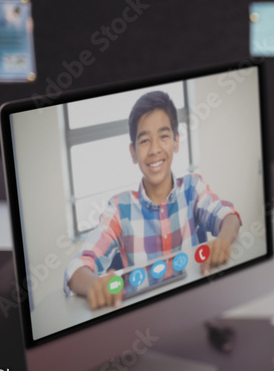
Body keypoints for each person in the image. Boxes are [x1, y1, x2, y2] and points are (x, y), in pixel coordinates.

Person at [64, 90, 241, 310]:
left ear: (176, 141)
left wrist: (222, 240)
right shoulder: (119, 209)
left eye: (164, 136)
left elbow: (229, 216)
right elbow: (77, 266)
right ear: (133, 152)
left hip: (197, 307)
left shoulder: (193, 188)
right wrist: (94, 285)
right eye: (145, 140)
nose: (155, 149)